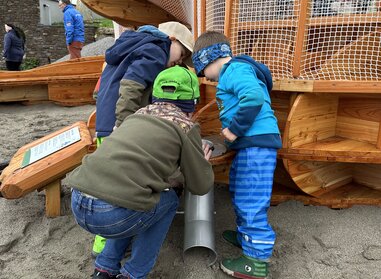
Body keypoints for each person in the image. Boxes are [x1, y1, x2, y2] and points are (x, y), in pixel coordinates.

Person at [64, 65, 214, 279]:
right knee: (167, 200)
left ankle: (104, 268)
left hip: (78, 202)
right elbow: (200, 185)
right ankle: (134, 273)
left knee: (131, 197)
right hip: (111, 216)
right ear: (192, 104)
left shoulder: (136, 116)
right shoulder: (185, 126)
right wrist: (203, 161)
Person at [91, 21, 194, 257]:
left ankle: (104, 243)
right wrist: (125, 125)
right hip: (118, 126)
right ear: (172, 39)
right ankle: (107, 246)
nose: (179, 60)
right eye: (182, 54)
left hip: (103, 124)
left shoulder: (130, 45)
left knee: (107, 184)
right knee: (120, 189)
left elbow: (103, 88)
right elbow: (131, 86)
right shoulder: (156, 48)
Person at [192, 31, 282, 279]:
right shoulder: (236, 72)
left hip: (256, 144)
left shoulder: (235, 70)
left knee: (251, 198)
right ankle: (246, 236)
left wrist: (232, 131)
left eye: (203, 72)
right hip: (249, 144)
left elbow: (252, 98)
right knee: (241, 190)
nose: (206, 79)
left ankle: (256, 261)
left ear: (209, 59)